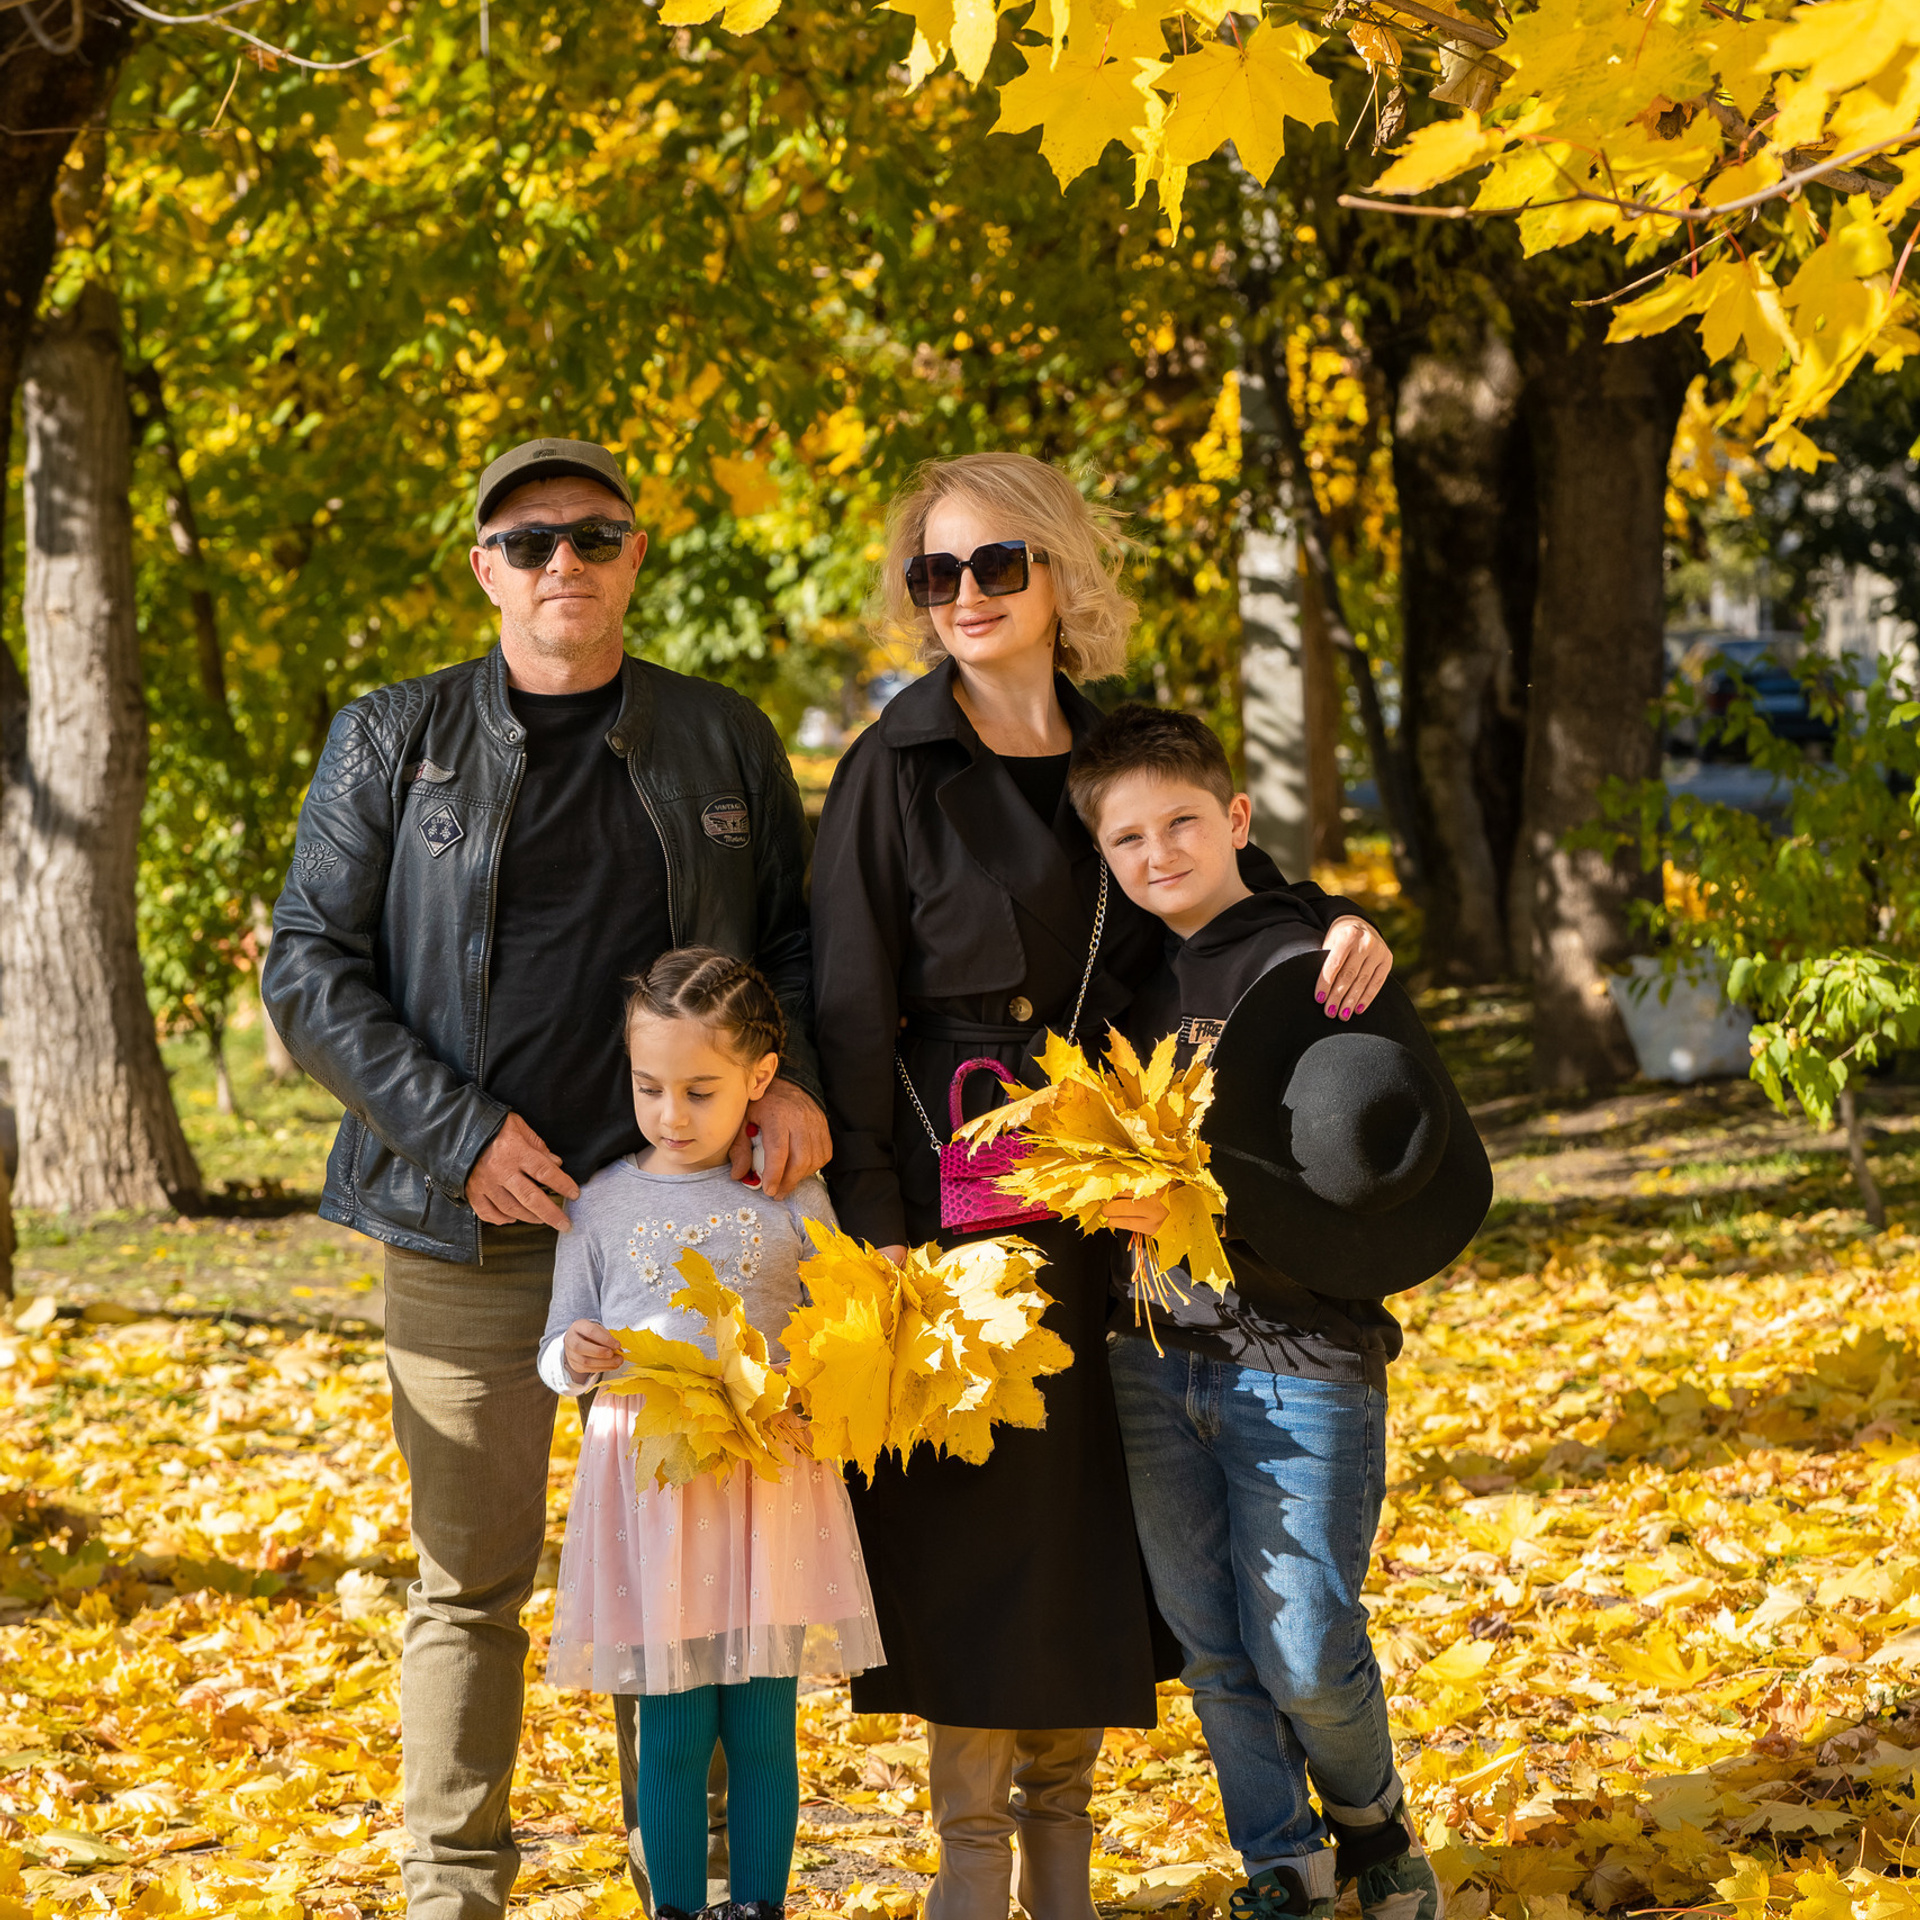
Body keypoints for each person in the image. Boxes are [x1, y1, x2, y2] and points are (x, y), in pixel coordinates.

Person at [807, 452, 1394, 1920]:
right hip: (952, 1224)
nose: (964, 598)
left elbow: (1221, 888)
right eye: (934, 574)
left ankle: (1067, 1875)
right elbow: (845, 1006)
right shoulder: (893, 766)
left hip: (1126, 1216)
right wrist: (883, 1243)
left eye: (994, 565)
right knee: (971, 1557)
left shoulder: (1123, 750)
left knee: (1091, 1560)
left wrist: (1337, 922)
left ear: (1059, 572)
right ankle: (967, 1872)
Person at [262, 436, 832, 1920]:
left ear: (637, 554)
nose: (561, 563)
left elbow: (800, 942)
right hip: (465, 1226)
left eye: (592, 536)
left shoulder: (722, 737)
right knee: (472, 1583)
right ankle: (456, 1885)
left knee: (688, 1581)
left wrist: (800, 1087)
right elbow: (312, 973)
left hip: (688, 1236)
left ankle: (691, 1883)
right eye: (528, 543)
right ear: (484, 570)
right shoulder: (392, 737)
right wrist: (458, 1137)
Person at [1066, 704, 1437, 1920]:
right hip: (1153, 1354)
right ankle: (1284, 1868)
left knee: (1308, 1640)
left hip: (1303, 1353)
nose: (1159, 854)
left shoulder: (1312, 958)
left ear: (1236, 820)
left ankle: (1373, 1819)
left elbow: (1378, 1152)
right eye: (1127, 840)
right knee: (1214, 1644)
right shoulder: (1115, 983)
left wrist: (1206, 1188)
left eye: (1182, 822)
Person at [539, 948, 884, 1920]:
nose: (670, 1115)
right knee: (675, 1729)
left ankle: (762, 1906)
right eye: (651, 1087)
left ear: (760, 1082)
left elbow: (835, 1325)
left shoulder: (789, 1198)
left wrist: (821, 1381)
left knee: (766, 1726)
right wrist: (577, 1353)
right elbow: (551, 1346)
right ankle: (679, 1909)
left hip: (767, 1479)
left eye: (700, 1090)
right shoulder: (599, 1203)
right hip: (654, 1488)